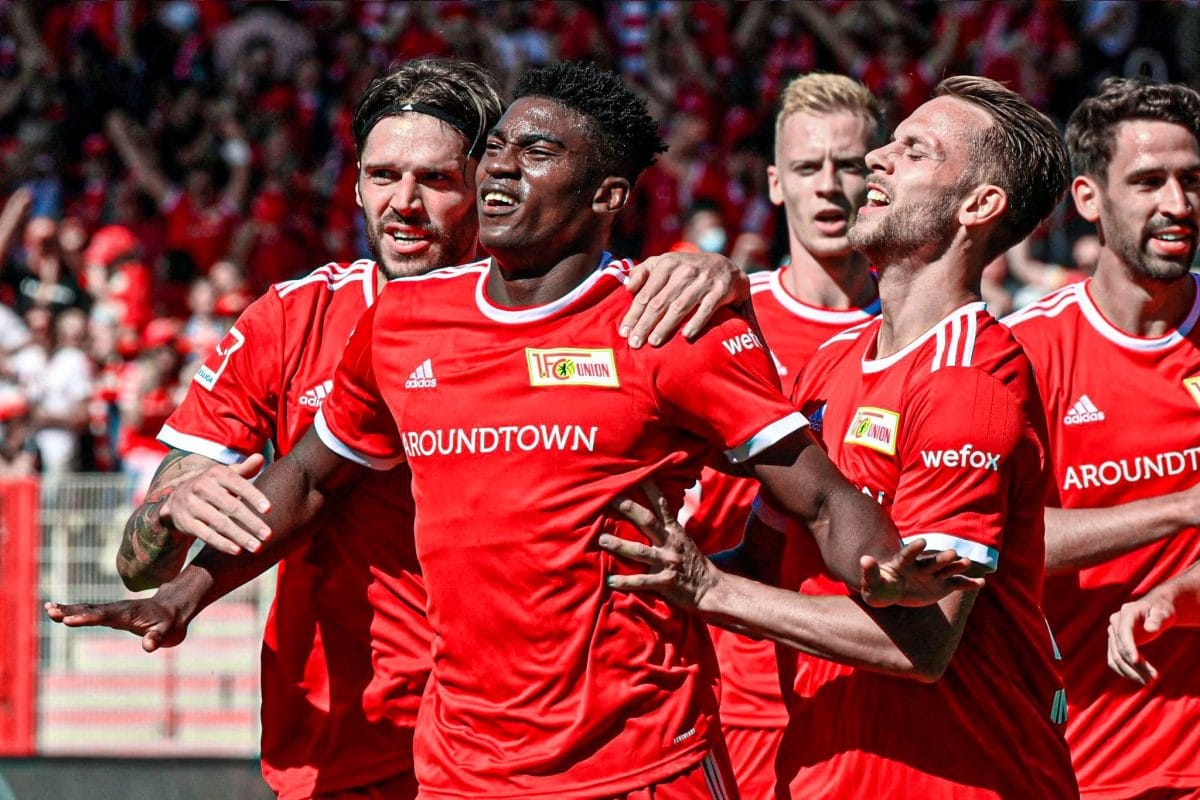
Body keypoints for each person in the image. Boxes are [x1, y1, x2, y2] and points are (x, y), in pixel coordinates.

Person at [53, 62, 971, 798]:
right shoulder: (380, 324)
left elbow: (817, 493)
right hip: (428, 759)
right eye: (493, 151)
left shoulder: (664, 321)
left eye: (526, 155)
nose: (491, 172)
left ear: (606, 195)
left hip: (636, 759)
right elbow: (306, 481)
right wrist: (184, 588)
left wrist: (880, 572)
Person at [602, 75, 1079, 798]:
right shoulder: (833, 361)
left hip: (962, 781)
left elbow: (922, 645)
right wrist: (619, 569)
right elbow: (766, 561)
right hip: (823, 774)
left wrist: (706, 587)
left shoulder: (969, 380)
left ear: (979, 206)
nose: (877, 159)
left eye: (914, 151)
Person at [680, 72, 882, 800]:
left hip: (871, 686)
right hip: (734, 692)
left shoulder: (920, 333)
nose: (828, 186)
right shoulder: (714, 318)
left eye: (849, 165)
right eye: (806, 166)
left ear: (880, 177)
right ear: (774, 183)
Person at [1004, 77, 1200, 798]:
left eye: (1191, 180)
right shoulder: (1025, 352)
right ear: (1088, 198)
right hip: (1092, 760)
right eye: (1148, 182)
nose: (1177, 204)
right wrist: (1180, 509)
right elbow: (1001, 537)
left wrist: (1179, 594)